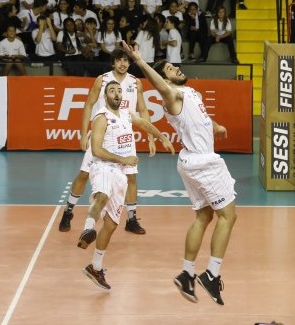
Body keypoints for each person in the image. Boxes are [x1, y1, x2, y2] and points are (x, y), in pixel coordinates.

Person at [120, 42, 238, 306]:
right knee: (228, 216)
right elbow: (160, 85)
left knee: (204, 216)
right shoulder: (172, 94)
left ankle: (186, 274)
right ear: (165, 79)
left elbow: (202, 119)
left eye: (175, 66)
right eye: (170, 70)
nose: (176, 69)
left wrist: (216, 127)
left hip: (191, 160)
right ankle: (211, 274)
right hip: (203, 162)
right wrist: (139, 61)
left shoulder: (190, 92)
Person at [77, 81, 174, 290]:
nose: (117, 93)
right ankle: (87, 229)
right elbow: (96, 151)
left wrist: (160, 136)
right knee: (101, 196)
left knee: (111, 225)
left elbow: (144, 123)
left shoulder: (126, 113)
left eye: (119, 90)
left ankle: (95, 266)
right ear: (105, 96)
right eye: (112, 90)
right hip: (103, 167)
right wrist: (124, 159)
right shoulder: (102, 118)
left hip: (120, 174)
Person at [58, 49, 156, 234]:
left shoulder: (135, 82)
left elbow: (143, 110)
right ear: (113, 63)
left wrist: (151, 137)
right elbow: (88, 104)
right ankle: (68, 211)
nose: (122, 63)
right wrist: (82, 134)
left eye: (126, 60)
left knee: (131, 177)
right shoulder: (102, 80)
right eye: (119, 60)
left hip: (124, 137)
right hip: (101, 136)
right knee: (84, 174)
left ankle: (131, 218)